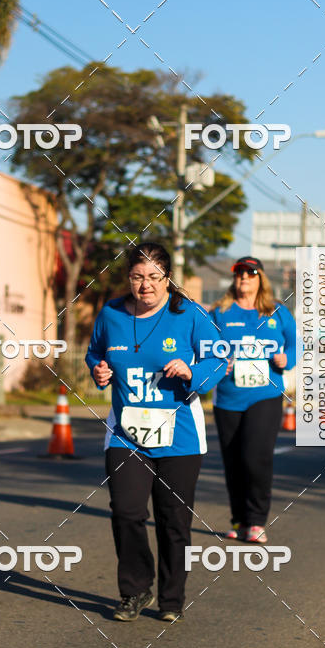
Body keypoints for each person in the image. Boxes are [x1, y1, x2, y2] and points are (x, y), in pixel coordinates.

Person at [85, 242, 225, 623]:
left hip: (178, 433)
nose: (145, 286)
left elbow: (219, 360)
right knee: (126, 512)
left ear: (167, 278)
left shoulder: (189, 314)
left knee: (173, 519)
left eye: (153, 277)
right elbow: (95, 353)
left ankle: (171, 598)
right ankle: (135, 590)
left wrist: (193, 371)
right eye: (137, 277)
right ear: (128, 278)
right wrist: (98, 371)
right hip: (126, 433)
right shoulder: (111, 313)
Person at [209, 256, 296, 544]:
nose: (244, 277)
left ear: (261, 279)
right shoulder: (220, 313)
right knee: (233, 461)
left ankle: (256, 520)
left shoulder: (277, 313)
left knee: (255, 458)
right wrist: (219, 362)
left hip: (266, 395)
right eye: (239, 273)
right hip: (228, 398)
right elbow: (205, 347)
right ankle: (239, 519)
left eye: (251, 273)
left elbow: (296, 344)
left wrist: (287, 359)